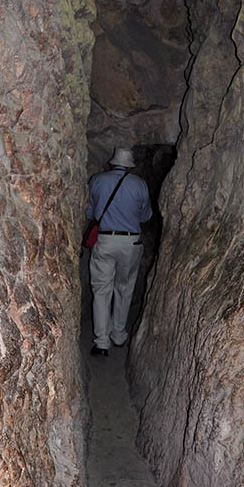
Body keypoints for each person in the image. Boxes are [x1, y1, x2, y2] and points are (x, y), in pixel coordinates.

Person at [86, 147, 152, 356]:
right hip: (131, 243)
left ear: (112, 163)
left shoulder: (97, 181)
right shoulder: (140, 184)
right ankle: (118, 335)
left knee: (101, 291)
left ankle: (102, 342)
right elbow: (146, 216)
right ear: (129, 166)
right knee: (124, 289)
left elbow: (90, 212)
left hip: (105, 240)